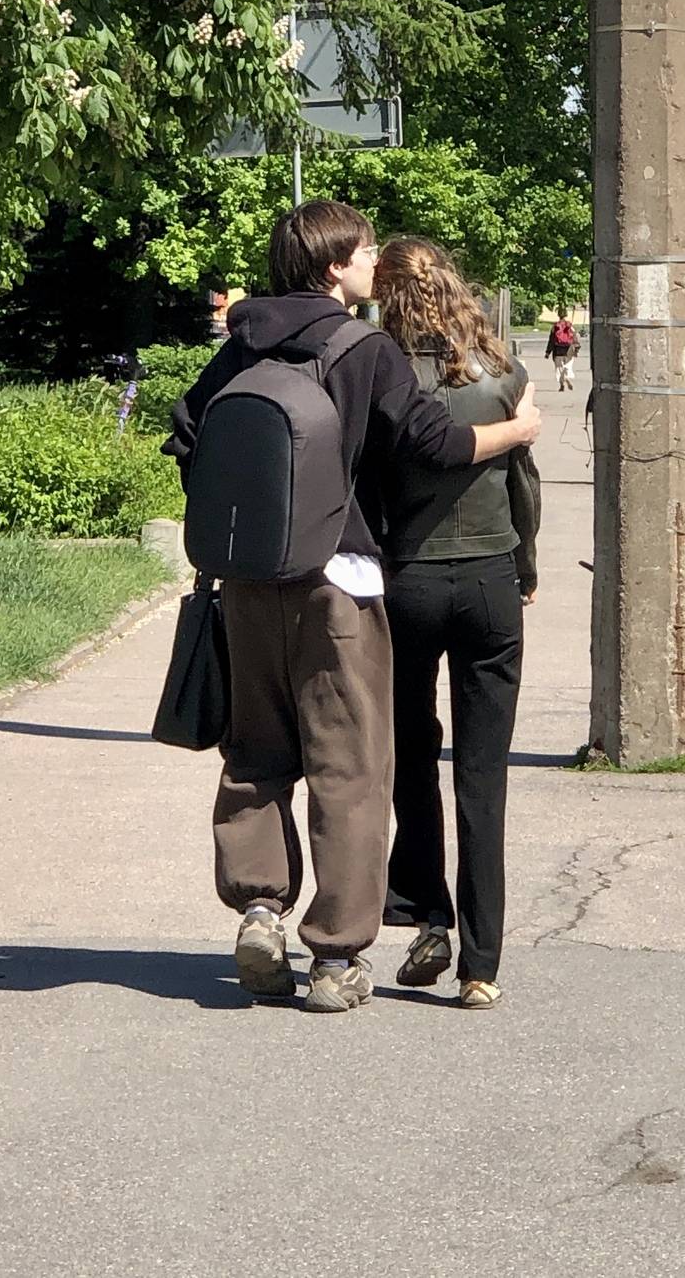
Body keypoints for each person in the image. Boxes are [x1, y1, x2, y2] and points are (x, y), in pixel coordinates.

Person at [162, 201, 541, 1013]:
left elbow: (188, 436)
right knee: (349, 764)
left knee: (256, 753)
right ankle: (335, 955)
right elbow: (435, 444)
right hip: (339, 581)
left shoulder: (243, 343)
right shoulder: (363, 349)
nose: (374, 261)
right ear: (334, 267)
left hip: (249, 584)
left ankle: (260, 908)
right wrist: (517, 431)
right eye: (365, 251)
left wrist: (247, 528)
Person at [375, 238, 541, 1010]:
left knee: (411, 757)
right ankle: (482, 965)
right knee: (483, 775)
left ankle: (427, 920)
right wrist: (525, 566)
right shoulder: (504, 373)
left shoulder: (381, 375)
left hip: (405, 581)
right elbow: (522, 485)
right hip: (489, 580)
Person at [546, 308, 580, 390]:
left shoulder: (555, 326)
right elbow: (576, 338)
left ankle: (562, 384)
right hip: (569, 350)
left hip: (557, 350)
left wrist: (548, 352)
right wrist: (576, 349)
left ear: (558, 315)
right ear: (566, 315)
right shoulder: (570, 326)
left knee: (559, 368)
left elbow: (551, 340)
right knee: (567, 367)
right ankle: (566, 378)